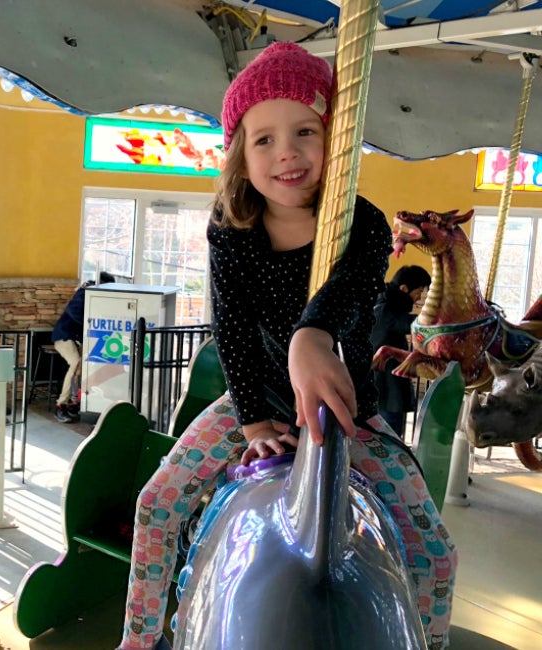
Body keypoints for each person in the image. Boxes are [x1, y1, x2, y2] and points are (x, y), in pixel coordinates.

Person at [118, 42, 457, 650]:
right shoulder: (231, 227)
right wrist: (251, 423)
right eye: (264, 139)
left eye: (305, 131)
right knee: (156, 503)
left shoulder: (363, 223)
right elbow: (232, 332)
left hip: (344, 410)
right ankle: (140, 640)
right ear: (240, 155)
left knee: (435, 548)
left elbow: (348, 295)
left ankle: (428, 640)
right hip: (256, 400)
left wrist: (311, 335)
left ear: (335, 142)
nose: (288, 153)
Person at [371, 264, 431, 440]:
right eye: (418, 291)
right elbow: (413, 325)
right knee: (388, 439)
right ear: (404, 288)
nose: (419, 297)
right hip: (385, 391)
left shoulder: (384, 304)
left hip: (387, 389)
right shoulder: (385, 310)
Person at [51, 270, 116, 423]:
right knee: (76, 363)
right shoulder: (85, 292)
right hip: (64, 336)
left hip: (74, 338)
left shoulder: (92, 293)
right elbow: (74, 312)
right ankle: (61, 404)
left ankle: (75, 401)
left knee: (82, 368)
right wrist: (90, 325)